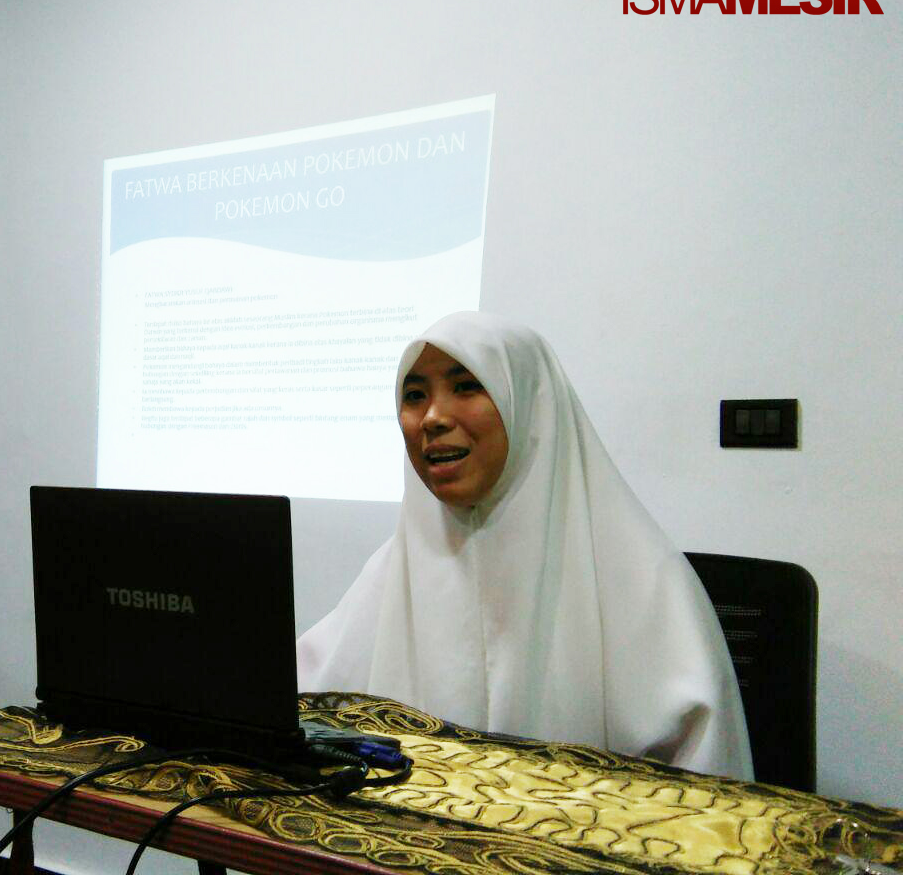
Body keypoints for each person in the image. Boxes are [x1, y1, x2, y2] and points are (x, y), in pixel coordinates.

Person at [297, 311, 753, 779]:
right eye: (415, 396)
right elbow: (300, 699)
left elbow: (711, 786)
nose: (432, 417)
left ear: (531, 406)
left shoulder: (642, 577)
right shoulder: (394, 570)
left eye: (466, 387)